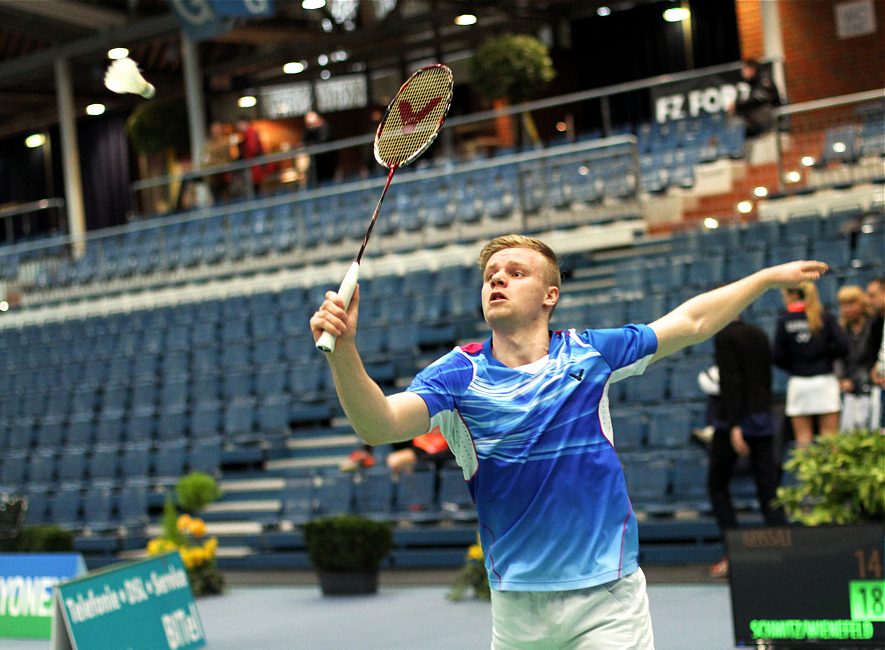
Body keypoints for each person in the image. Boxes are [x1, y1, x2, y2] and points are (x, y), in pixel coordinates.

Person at [310, 233, 827, 648]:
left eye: (516, 273)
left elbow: (690, 323)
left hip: (607, 599)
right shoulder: (457, 374)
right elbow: (377, 425)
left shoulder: (587, 354)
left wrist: (765, 278)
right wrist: (344, 352)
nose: (498, 281)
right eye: (491, 275)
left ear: (550, 295)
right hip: (516, 607)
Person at [706, 317, 787, 580]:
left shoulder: (724, 337)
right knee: (769, 488)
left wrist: (734, 425)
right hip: (762, 419)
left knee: (717, 485)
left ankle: (734, 554)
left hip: (734, 423)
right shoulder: (760, 333)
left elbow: (731, 382)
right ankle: (785, 554)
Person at [772, 282, 849, 447]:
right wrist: (826, 357)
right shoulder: (825, 317)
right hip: (825, 381)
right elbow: (843, 346)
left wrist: (794, 365)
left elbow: (777, 355)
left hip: (799, 383)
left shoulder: (785, 320)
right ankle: (831, 472)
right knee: (830, 440)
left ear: (791, 295)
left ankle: (808, 473)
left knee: (803, 441)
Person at [834, 285, 877, 431]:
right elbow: (838, 358)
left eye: (851, 304)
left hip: (873, 384)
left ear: (862, 304)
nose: (847, 309)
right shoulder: (840, 330)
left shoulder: (874, 325)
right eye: (843, 305)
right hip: (850, 389)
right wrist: (842, 378)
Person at [729, 58, 782, 137]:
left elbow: (758, 99)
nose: (743, 72)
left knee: (740, 120)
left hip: (770, 116)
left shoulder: (764, 79)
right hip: (761, 117)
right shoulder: (752, 83)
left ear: (751, 69)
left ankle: (763, 133)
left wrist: (737, 106)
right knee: (735, 119)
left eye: (745, 69)